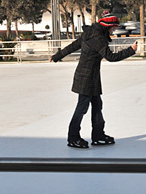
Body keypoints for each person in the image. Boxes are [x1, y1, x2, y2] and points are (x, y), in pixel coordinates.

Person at [50, 11, 138, 148]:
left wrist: (57, 56)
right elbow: (111, 57)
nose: (114, 31)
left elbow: (73, 46)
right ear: (107, 26)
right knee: (82, 108)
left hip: (91, 76)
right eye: (113, 28)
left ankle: (98, 135)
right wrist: (130, 50)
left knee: (97, 105)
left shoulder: (90, 33)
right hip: (86, 78)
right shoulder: (97, 38)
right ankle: (73, 138)